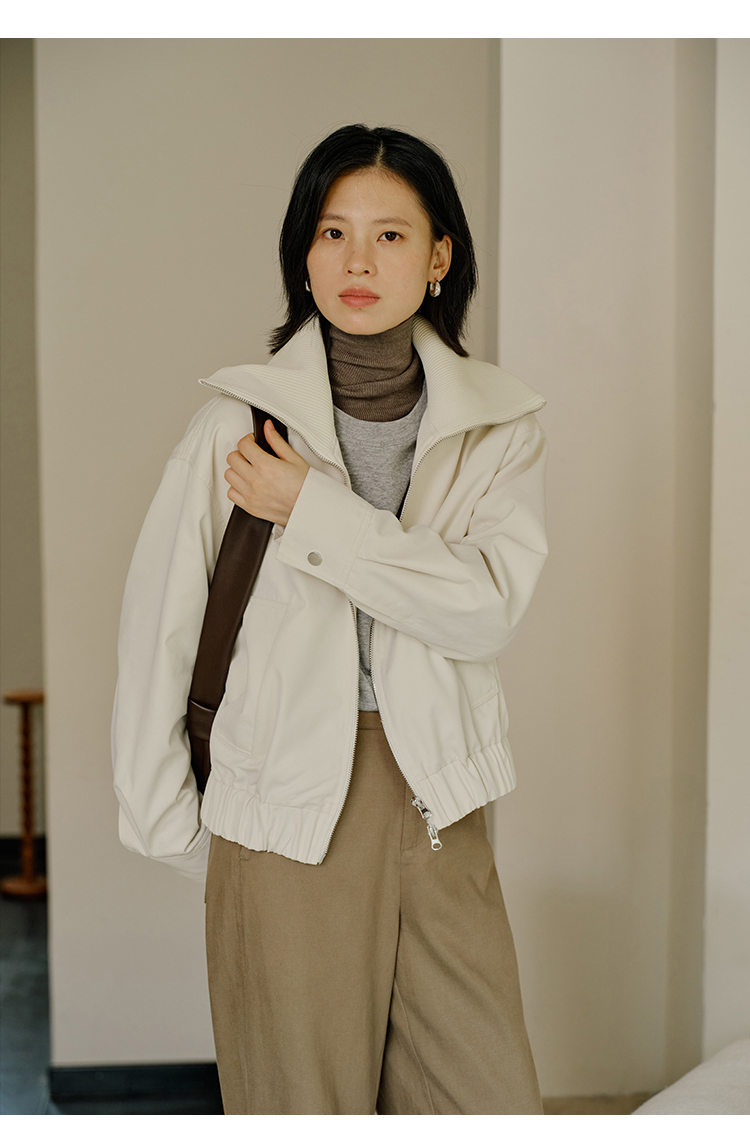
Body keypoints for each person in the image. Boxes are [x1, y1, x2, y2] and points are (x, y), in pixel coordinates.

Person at [112, 123, 549, 1115]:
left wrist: (310, 509)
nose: (358, 261)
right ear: (302, 255)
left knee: (488, 1099)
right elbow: (159, 633)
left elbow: (482, 610)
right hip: (283, 806)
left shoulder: (498, 428)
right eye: (332, 232)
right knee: (303, 1101)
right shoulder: (233, 427)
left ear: (439, 258)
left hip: (441, 803)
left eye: (391, 236)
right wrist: (179, 828)